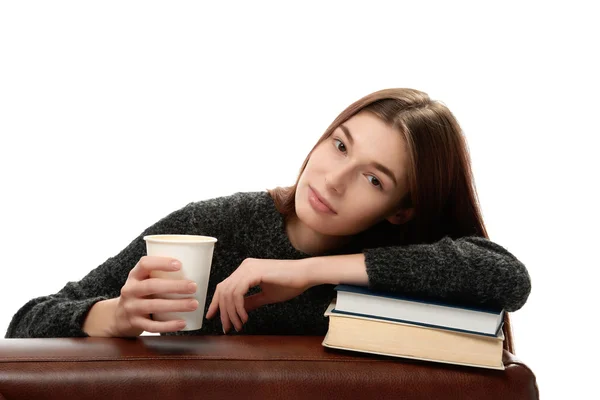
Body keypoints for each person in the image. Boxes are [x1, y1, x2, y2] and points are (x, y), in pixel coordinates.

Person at [5, 88, 531, 338]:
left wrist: (302, 273)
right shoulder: (219, 226)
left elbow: (506, 276)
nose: (332, 178)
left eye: (374, 179)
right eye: (340, 146)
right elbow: (27, 322)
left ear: (401, 212)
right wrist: (116, 315)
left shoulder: (402, 258)